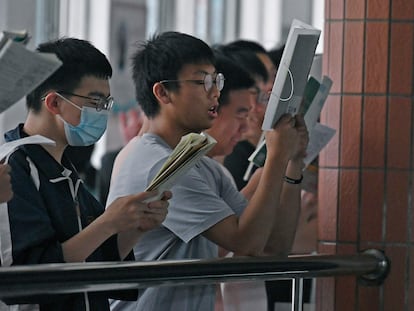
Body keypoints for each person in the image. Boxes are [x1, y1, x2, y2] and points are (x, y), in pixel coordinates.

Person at [107, 31, 306, 311]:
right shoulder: (159, 162)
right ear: (163, 92)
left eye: (217, 81)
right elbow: (246, 243)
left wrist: (292, 162)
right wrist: (276, 156)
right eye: (203, 82)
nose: (215, 93)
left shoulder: (201, 165)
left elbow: (272, 247)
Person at [1, 37, 170, 311]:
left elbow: (94, 255)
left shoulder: (64, 168)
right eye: (96, 102)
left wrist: (136, 226)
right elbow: (27, 275)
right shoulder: (14, 167)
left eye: (106, 103)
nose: (103, 113)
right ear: (54, 102)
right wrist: (108, 223)